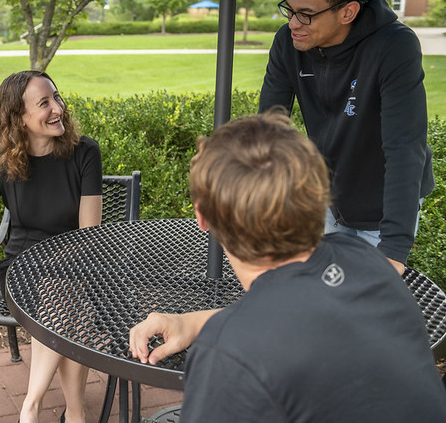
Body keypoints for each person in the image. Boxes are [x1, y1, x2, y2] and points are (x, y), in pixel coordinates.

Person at [129, 112, 446, 422]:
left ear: (201, 215)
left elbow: (278, 327)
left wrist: (214, 333)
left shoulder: (229, 355)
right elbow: (299, 316)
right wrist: (194, 323)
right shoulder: (367, 263)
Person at [259, 0, 434, 274]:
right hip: (325, 194)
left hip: (381, 203)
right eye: (289, 9)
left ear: (347, 12)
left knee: (361, 303)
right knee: (317, 291)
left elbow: (404, 148)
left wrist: (394, 248)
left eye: (306, 14)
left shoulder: (394, 47)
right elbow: (269, 127)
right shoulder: (288, 42)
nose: (293, 23)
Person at [0, 70, 103, 423]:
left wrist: (60, 264)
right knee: (71, 308)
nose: (58, 108)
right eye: (44, 103)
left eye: (57, 97)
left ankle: (32, 405)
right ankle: (74, 413)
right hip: (22, 269)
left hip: (78, 260)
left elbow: (90, 235)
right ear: (18, 118)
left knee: (65, 294)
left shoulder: (84, 152)